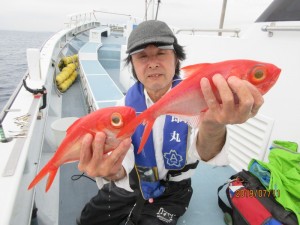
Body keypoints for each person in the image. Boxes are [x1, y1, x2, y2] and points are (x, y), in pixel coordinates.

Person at [76, 20, 264, 225]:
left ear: (176, 59)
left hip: (173, 190)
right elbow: (123, 164)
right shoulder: (122, 108)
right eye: (142, 56)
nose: (153, 63)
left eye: (161, 53)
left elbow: (205, 153)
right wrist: (113, 172)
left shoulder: (200, 97)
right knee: (86, 219)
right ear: (133, 66)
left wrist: (213, 125)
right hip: (133, 181)